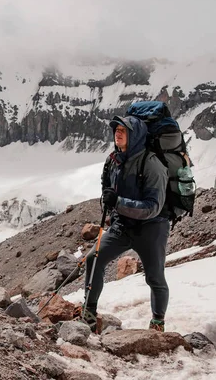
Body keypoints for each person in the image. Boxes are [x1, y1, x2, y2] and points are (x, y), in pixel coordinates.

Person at [82, 115, 170, 333]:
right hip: (123, 225)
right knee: (94, 258)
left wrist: (118, 202)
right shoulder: (113, 160)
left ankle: (158, 322)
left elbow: (153, 207)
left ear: (136, 135)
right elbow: (107, 185)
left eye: (124, 130)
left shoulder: (152, 164)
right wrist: (110, 199)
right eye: (116, 129)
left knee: (155, 276)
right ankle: (89, 313)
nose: (118, 133)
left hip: (151, 228)